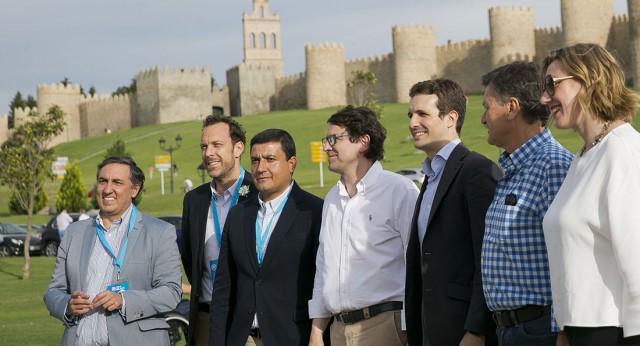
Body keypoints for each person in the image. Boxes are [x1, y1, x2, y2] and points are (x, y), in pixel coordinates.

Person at [540, 43, 640, 345]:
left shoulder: (621, 151)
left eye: (551, 85)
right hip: (581, 331)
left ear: (590, 81)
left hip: (616, 333)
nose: (544, 98)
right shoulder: (584, 155)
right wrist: (564, 329)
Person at [479, 61, 573, 345]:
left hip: (539, 330)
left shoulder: (552, 167)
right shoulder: (516, 168)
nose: (483, 118)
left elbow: (569, 260)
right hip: (511, 331)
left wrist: (563, 333)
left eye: (487, 107)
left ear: (512, 108)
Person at [308, 106, 419, 346]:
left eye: (333, 139)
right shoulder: (331, 199)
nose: (326, 146)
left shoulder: (400, 190)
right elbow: (323, 267)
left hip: (385, 326)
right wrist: (317, 332)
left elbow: (418, 263)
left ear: (363, 142)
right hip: (338, 330)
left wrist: (411, 329)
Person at [43, 156, 182, 345]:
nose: (108, 189)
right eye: (103, 181)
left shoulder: (159, 233)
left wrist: (124, 300)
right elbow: (53, 292)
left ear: (134, 189)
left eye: (117, 182)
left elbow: (171, 292)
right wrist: (67, 305)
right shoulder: (74, 233)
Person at [404, 79, 502, 346]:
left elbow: (488, 260)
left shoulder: (476, 172)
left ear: (451, 118)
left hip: (464, 331)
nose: (413, 122)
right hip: (431, 329)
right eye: (411, 114)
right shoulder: (431, 176)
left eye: (422, 114)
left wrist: (477, 329)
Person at [210, 129, 324, 346]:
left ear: (291, 163)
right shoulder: (238, 215)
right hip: (244, 338)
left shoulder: (314, 211)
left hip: (293, 337)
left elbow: (322, 282)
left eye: (270, 159)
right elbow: (224, 289)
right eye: (255, 160)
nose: (260, 168)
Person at [181, 114, 257, 346]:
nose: (208, 153)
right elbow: (190, 258)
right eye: (204, 146)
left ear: (238, 148)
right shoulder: (194, 200)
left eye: (216, 145)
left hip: (248, 320)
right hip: (207, 316)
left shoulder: (259, 192)